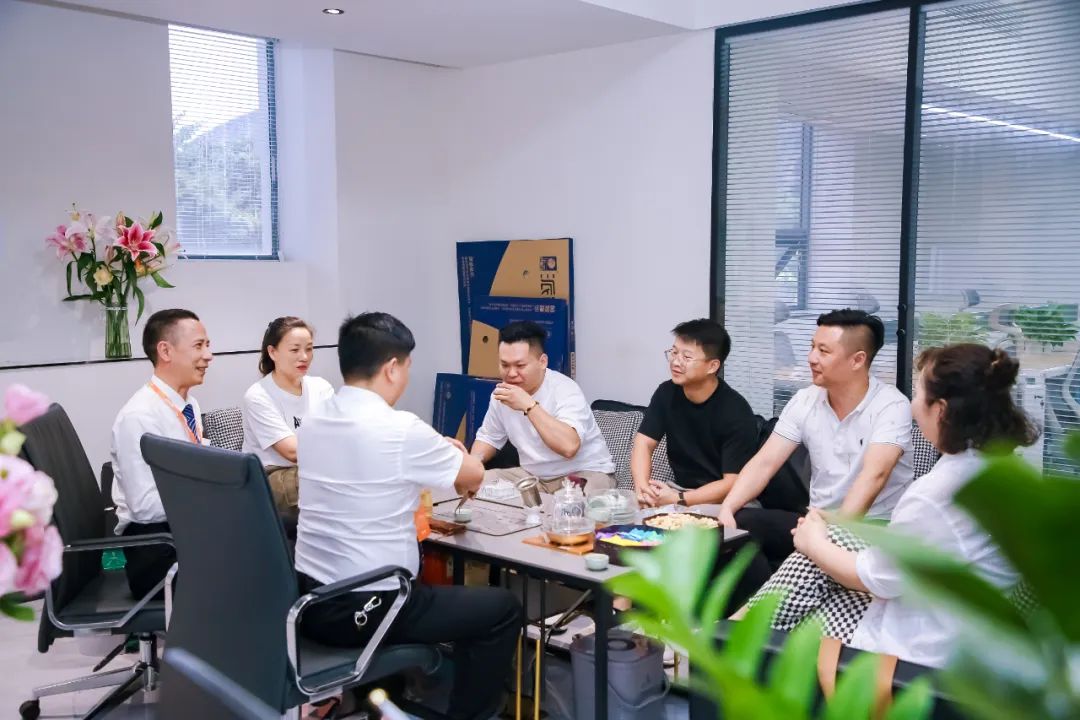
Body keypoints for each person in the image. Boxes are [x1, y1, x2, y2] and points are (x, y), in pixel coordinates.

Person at [294, 312, 521, 720]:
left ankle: (387, 701)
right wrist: (453, 451)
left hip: (311, 601)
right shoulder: (399, 428)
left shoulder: (314, 420)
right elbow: (474, 475)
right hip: (374, 604)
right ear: (392, 368)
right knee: (502, 609)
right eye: (408, 367)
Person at [790, 343, 1037, 666]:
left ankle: (739, 639)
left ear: (941, 410)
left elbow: (875, 579)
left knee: (803, 577)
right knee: (831, 537)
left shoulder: (938, 493)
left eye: (918, 393)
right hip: (973, 632)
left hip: (920, 654)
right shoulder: (1009, 470)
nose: (912, 405)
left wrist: (811, 542)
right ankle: (738, 627)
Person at [718, 309, 914, 568]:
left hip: (872, 527)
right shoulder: (806, 400)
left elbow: (874, 476)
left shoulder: (891, 405)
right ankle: (768, 593)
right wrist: (727, 508)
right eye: (812, 347)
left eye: (824, 351)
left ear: (857, 360)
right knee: (739, 526)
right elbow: (765, 463)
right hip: (815, 520)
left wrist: (830, 536)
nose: (811, 358)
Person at [111, 309, 213, 599]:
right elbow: (144, 507)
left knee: (282, 530)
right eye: (199, 346)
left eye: (208, 345)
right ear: (165, 351)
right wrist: (212, 496)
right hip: (156, 550)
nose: (208, 356)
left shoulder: (188, 404)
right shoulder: (139, 417)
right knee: (264, 558)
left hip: (185, 531)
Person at [470, 321, 615, 493]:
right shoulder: (501, 394)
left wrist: (529, 406)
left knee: (580, 501)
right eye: (505, 365)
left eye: (520, 366)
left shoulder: (565, 389)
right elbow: (489, 437)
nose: (511, 373)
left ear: (542, 362)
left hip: (584, 473)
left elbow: (569, 447)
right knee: (476, 482)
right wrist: (471, 464)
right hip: (534, 477)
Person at [632, 319, 758, 508]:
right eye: (674, 352)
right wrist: (642, 488)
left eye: (687, 357)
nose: (676, 361)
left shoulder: (736, 412)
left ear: (712, 366)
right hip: (679, 490)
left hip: (728, 500)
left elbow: (732, 482)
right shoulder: (666, 393)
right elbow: (644, 443)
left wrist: (679, 499)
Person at [241, 316, 334, 515]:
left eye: (309, 349)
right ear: (272, 352)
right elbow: (292, 451)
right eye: (295, 350)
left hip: (316, 468)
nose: (304, 357)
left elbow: (338, 435)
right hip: (271, 478)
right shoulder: (258, 395)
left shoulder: (321, 387)